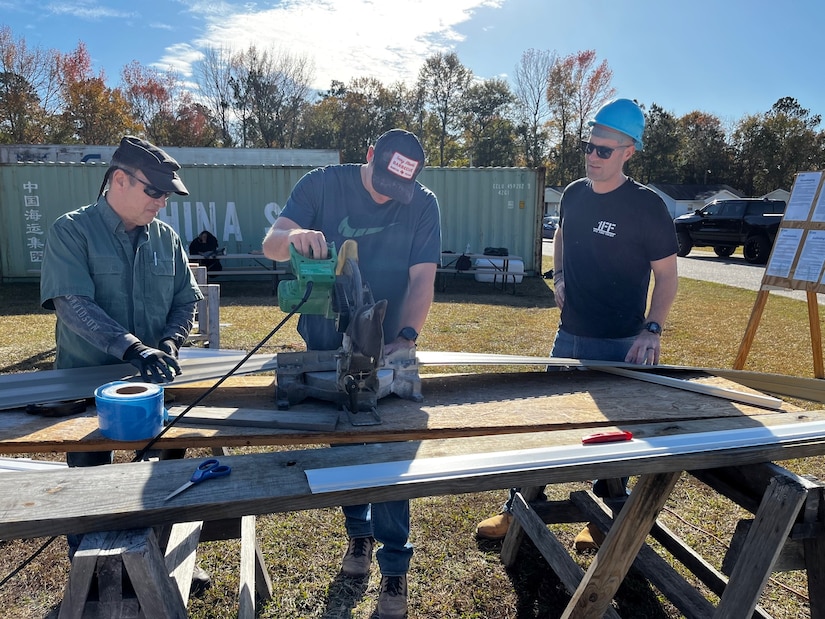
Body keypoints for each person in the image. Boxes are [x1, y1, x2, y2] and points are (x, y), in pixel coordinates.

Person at [475, 98, 679, 549]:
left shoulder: (647, 207)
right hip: (569, 335)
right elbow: (563, 233)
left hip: (623, 342)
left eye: (604, 150)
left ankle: (605, 518)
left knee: (612, 437)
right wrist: (560, 275)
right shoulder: (573, 193)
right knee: (547, 424)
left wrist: (652, 329)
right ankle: (519, 507)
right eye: (588, 146)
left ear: (629, 151)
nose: (592, 156)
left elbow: (667, 276)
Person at [262, 128, 441, 618]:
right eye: (382, 181)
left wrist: (405, 337)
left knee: (389, 453)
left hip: (385, 340)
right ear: (369, 157)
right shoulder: (322, 185)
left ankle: (395, 567)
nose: (388, 195)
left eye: (397, 188)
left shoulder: (422, 203)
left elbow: (423, 278)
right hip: (322, 338)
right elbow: (271, 245)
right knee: (344, 441)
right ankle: (358, 538)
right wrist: (293, 237)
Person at [40, 136, 208, 588]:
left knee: (166, 474)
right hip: (84, 386)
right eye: (154, 192)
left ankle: (161, 558)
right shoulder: (71, 231)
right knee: (90, 484)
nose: (162, 203)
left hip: (155, 386)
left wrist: (172, 341)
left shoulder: (166, 239)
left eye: (166, 195)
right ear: (118, 179)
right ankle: (94, 576)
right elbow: (71, 303)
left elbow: (184, 299)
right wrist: (132, 348)